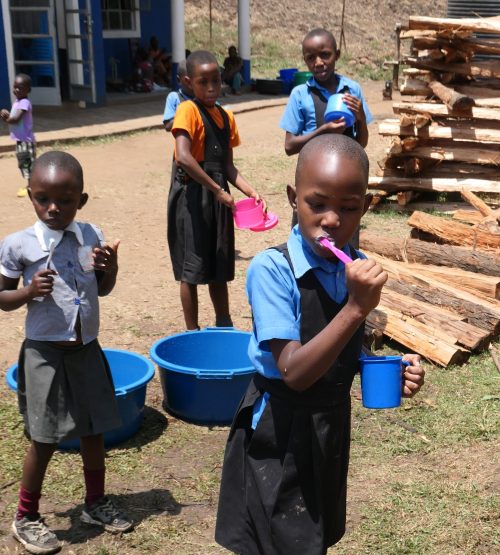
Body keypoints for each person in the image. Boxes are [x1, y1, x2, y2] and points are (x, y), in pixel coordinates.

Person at [215, 134, 425, 555]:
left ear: (364, 208)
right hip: (279, 430)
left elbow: (339, 346)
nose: (332, 220)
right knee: (276, 538)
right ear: (294, 199)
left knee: (311, 535)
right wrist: (355, 308)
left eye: (348, 208)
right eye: (318, 204)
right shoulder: (273, 270)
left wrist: (382, 367)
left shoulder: (350, 265)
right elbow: (293, 370)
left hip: (327, 427)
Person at [0, 151, 133, 555]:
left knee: (94, 429)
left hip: (86, 350)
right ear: (30, 195)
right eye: (43, 199)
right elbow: (2, 298)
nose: (53, 208)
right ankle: (26, 515)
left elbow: (102, 290)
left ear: (82, 200)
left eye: (65, 200)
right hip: (45, 354)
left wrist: (109, 268)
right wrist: (26, 292)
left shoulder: (90, 234)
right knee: (44, 438)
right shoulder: (18, 244)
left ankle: (95, 502)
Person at [168, 50, 265, 331]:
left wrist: (250, 191)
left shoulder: (226, 116)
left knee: (219, 262)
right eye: (203, 82)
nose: (211, 88)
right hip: (192, 198)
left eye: (216, 80)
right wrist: (215, 189)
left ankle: (224, 323)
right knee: (192, 266)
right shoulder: (187, 110)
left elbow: (228, 167)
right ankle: (192, 330)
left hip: (218, 198)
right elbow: (183, 157)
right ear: (189, 83)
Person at [280, 28, 373, 240]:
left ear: (337, 55)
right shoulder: (300, 94)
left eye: (325, 55)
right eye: (310, 58)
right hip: (314, 181)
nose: (318, 62)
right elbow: (289, 146)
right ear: (304, 60)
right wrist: (322, 131)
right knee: (309, 238)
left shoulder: (352, 90)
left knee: (343, 237)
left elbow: (361, 144)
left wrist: (360, 118)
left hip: (345, 179)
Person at [1, 73, 36, 198]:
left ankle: (32, 187)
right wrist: (6, 115)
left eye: (20, 88)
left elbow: (15, 119)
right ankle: (31, 185)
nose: (16, 90)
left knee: (27, 163)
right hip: (20, 140)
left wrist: (6, 118)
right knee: (23, 163)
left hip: (26, 141)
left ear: (28, 90)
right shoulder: (17, 102)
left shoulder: (24, 103)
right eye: (15, 87)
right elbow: (12, 117)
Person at [162, 60, 194, 132]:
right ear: (178, 80)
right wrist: (186, 113)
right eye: (187, 80)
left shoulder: (203, 97)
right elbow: (168, 126)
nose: (191, 82)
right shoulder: (174, 97)